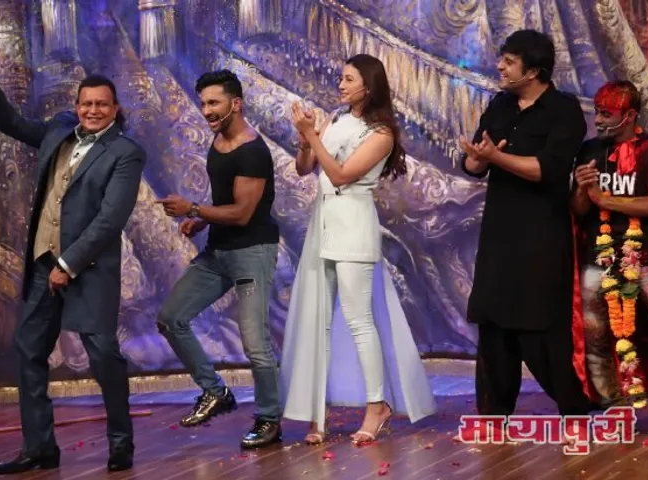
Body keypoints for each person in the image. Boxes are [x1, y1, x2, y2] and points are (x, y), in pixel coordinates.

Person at [0, 42, 145, 474]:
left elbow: (109, 220)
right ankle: (39, 448)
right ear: (77, 105)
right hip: (42, 264)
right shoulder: (60, 130)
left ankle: (121, 443)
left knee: (103, 355)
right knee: (29, 351)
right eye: (86, 103)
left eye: (101, 104)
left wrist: (68, 265)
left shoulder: (125, 152)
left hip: (87, 270)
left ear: (115, 109)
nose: (92, 110)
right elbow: (14, 124)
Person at [280, 53, 436, 446]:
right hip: (323, 223)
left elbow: (341, 175)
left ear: (369, 86)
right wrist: (305, 141)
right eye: (341, 77)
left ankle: (376, 405)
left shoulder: (381, 134)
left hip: (353, 226)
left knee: (358, 319)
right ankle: (317, 415)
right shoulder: (336, 118)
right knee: (318, 318)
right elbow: (306, 168)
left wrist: (314, 136)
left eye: (349, 79)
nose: (341, 84)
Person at [459, 30, 590, 417]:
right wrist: (476, 159)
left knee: (540, 323)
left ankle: (574, 408)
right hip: (498, 233)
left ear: (533, 71)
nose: (499, 66)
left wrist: (496, 159)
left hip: (541, 234)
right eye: (501, 58)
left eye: (509, 61)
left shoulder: (564, 111)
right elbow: (475, 164)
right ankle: (493, 415)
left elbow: (548, 170)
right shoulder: (500, 104)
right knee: (493, 321)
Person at [155, 70, 282, 449]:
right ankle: (215, 391)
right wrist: (201, 220)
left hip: (252, 253)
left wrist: (193, 208)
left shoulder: (252, 150)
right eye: (203, 103)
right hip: (218, 252)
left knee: (255, 344)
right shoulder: (219, 140)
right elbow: (227, 199)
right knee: (171, 318)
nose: (206, 110)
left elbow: (243, 213)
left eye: (214, 103)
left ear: (235, 104)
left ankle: (269, 418)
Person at [572, 80, 648, 442]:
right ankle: (613, 413)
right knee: (596, 339)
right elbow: (579, 210)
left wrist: (606, 200)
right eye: (597, 112)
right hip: (598, 260)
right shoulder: (589, 150)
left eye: (607, 114)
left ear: (630, 115)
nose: (599, 120)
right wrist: (583, 189)